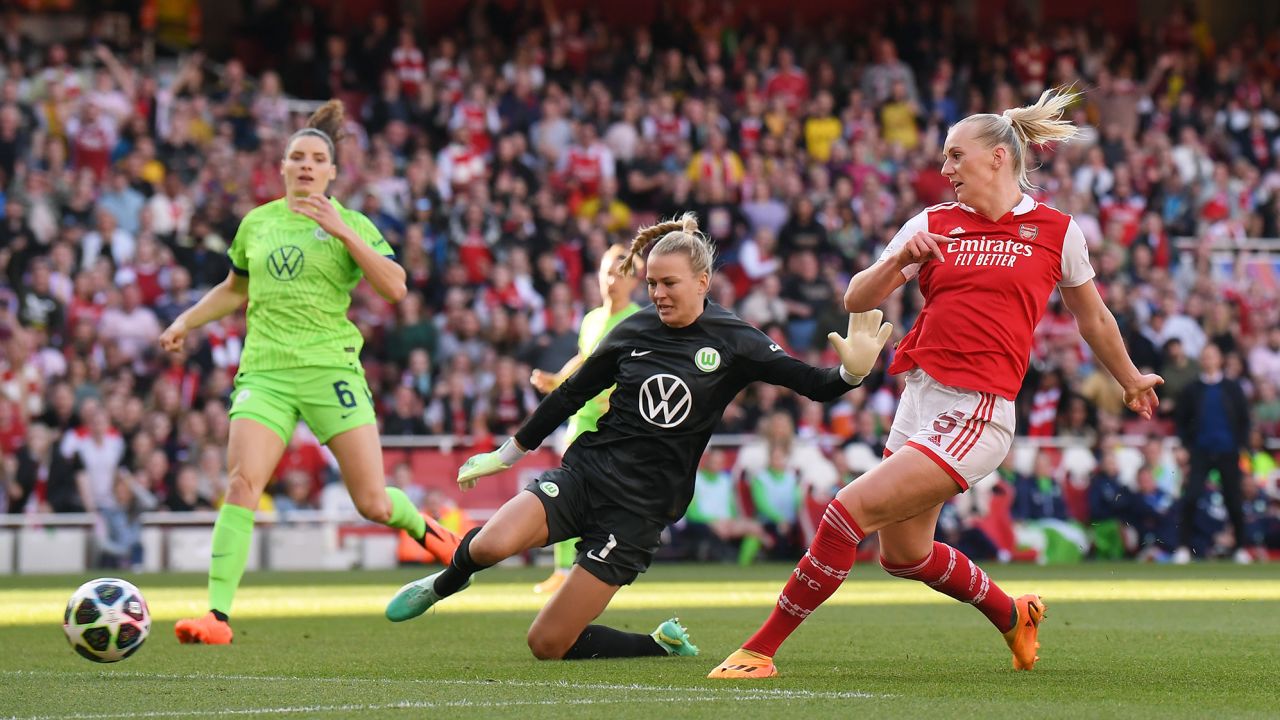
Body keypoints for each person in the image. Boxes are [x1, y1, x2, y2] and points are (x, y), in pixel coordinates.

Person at [710, 87, 1163, 679]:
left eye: (956, 156)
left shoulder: (1057, 230)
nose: (945, 169)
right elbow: (855, 299)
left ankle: (759, 650)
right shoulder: (930, 223)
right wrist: (900, 262)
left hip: (979, 409)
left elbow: (1093, 317)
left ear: (999, 157)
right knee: (903, 555)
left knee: (846, 511)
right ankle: (1014, 613)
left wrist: (1129, 379)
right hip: (919, 400)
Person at [384, 213, 892, 662]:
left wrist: (849, 375)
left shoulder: (736, 339)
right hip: (586, 476)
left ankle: (658, 644)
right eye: (651, 283)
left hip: (640, 510)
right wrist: (507, 452)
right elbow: (571, 394)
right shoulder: (633, 330)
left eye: (668, 283)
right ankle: (443, 582)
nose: (657, 294)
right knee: (491, 544)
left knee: (546, 645)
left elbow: (810, 383)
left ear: (702, 281)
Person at [158, 100, 459, 645]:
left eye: (316, 158)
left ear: (332, 172)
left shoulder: (353, 223)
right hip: (265, 373)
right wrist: (185, 320)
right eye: (296, 157)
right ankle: (217, 616)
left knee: (371, 502)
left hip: (330, 369)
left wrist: (343, 232)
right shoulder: (257, 223)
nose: (305, 165)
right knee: (242, 484)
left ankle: (424, 528)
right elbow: (235, 288)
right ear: (282, 167)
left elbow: (395, 287)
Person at [527, 243, 643, 595]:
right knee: (565, 487)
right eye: (607, 271)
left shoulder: (639, 320)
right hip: (582, 417)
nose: (611, 280)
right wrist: (557, 380)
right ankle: (563, 569)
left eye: (620, 274)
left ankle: (602, 565)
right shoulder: (593, 319)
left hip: (619, 423)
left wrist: (621, 397)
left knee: (609, 495)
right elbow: (585, 358)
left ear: (635, 282)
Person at [1172, 343, 1251, 564]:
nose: (1208, 360)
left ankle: (1240, 548)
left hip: (1228, 451)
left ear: (1220, 360)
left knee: (1234, 501)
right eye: (1204, 357)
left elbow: (1244, 420)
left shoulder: (1232, 388)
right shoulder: (1191, 389)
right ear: (1201, 360)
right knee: (1191, 498)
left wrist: (1242, 446)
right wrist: (1183, 446)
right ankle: (1183, 547)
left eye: (1212, 356)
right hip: (1200, 451)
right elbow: (1181, 421)